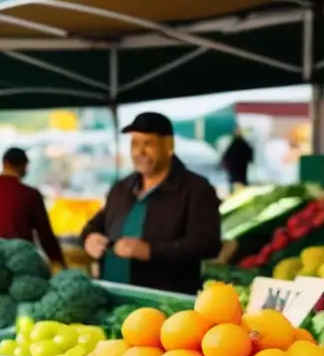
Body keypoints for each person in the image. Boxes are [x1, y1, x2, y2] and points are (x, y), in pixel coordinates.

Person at [81, 112, 222, 294]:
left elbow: (208, 244)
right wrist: (89, 238)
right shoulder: (121, 188)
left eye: (148, 144)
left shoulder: (196, 189)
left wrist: (151, 251)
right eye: (134, 143)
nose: (139, 152)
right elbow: (96, 225)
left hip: (164, 303)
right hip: (111, 295)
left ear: (169, 146)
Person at [0, 147, 67, 267]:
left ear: (4, 163)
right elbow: (45, 234)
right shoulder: (30, 194)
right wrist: (60, 263)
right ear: (24, 166)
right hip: (18, 263)